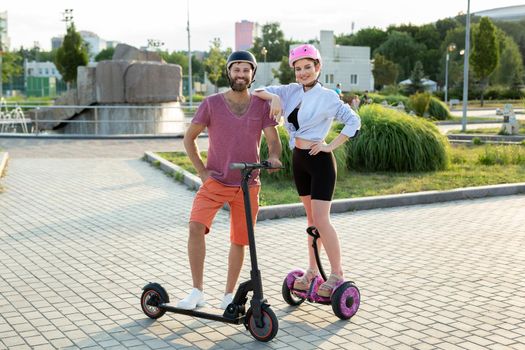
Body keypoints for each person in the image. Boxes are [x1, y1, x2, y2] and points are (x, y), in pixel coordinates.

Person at [253, 44, 360, 297]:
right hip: (300, 161)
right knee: (311, 222)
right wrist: (275, 97)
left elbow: (354, 120)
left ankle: (337, 273)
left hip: (320, 162)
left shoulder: (328, 97)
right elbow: (256, 90)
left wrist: (329, 146)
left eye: (307, 67)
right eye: (298, 68)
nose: (302, 73)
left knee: (322, 220)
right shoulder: (289, 91)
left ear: (318, 67)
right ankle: (312, 271)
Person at [178, 51, 282, 310]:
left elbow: (273, 141)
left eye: (246, 70)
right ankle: (197, 291)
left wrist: (275, 157)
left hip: (248, 184)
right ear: (228, 72)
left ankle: (228, 295)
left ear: (252, 75)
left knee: (239, 240)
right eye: (236, 69)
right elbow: (189, 138)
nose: (241, 74)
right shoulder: (211, 103)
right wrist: (202, 172)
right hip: (216, 182)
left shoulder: (262, 106)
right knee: (195, 227)